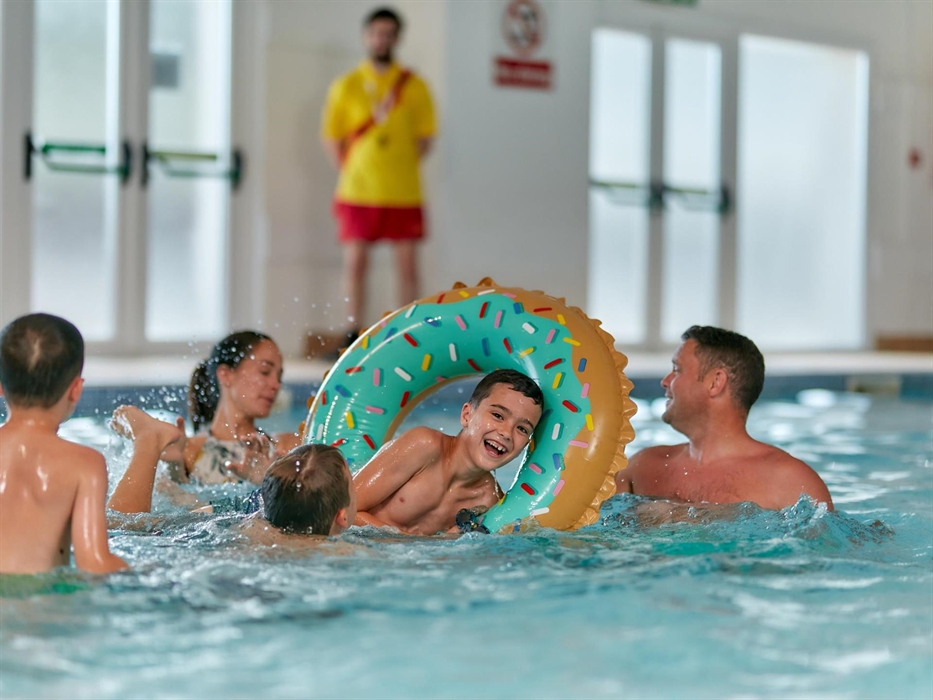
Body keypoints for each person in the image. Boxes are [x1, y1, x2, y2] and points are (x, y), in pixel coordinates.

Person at [616, 326, 834, 511]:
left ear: (715, 382)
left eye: (677, 369)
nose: (665, 381)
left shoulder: (790, 482)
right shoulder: (641, 468)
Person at [320, 6, 437, 342]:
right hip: (357, 190)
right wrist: (357, 169)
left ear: (397, 38)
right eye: (376, 32)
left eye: (388, 33)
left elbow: (425, 140)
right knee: (355, 265)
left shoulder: (415, 86)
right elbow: (332, 138)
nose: (381, 39)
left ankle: (408, 331)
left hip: (403, 190)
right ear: (365, 36)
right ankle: (352, 330)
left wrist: (394, 164)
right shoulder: (347, 85)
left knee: (408, 267)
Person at [0, 313, 128, 574]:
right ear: (75, 389)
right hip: (39, 605)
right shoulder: (84, 464)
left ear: (1, 386)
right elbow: (94, 563)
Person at [108, 406, 356, 539]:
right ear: (342, 516)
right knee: (130, 526)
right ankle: (148, 441)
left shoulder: (255, 522)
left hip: (198, 541)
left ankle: (152, 448)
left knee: (132, 526)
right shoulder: (344, 552)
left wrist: (268, 483)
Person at [353, 369, 544, 535]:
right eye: (497, 415)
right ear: (467, 415)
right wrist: (409, 543)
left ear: (526, 444)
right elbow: (344, 508)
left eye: (522, 429)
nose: (506, 433)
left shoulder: (489, 501)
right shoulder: (423, 446)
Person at [174, 331, 301, 485]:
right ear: (225, 374)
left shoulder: (287, 448)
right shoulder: (188, 452)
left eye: (279, 377)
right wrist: (172, 467)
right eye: (265, 372)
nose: (276, 385)